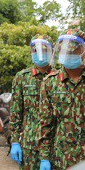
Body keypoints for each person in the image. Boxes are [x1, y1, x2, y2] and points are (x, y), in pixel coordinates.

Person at [39, 29, 84, 170]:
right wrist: (44, 157)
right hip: (61, 159)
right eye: (65, 52)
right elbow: (46, 124)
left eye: (73, 52)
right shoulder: (50, 83)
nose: (68, 55)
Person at [9, 34, 54, 170]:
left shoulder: (58, 78)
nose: (39, 53)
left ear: (51, 52)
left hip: (54, 145)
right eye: (35, 50)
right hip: (29, 144)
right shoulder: (22, 78)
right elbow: (15, 112)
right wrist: (15, 141)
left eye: (44, 50)